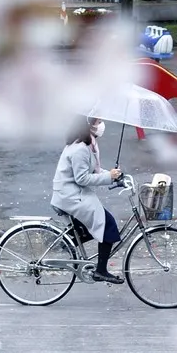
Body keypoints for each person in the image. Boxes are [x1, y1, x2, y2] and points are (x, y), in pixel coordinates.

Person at [51, 115, 124, 284]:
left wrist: (113, 175)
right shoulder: (80, 149)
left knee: (90, 227)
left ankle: (62, 244)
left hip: (73, 193)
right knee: (108, 224)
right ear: (89, 126)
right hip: (71, 195)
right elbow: (82, 178)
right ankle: (101, 271)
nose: (101, 125)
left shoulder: (87, 144)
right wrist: (109, 177)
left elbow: (94, 170)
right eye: (98, 122)